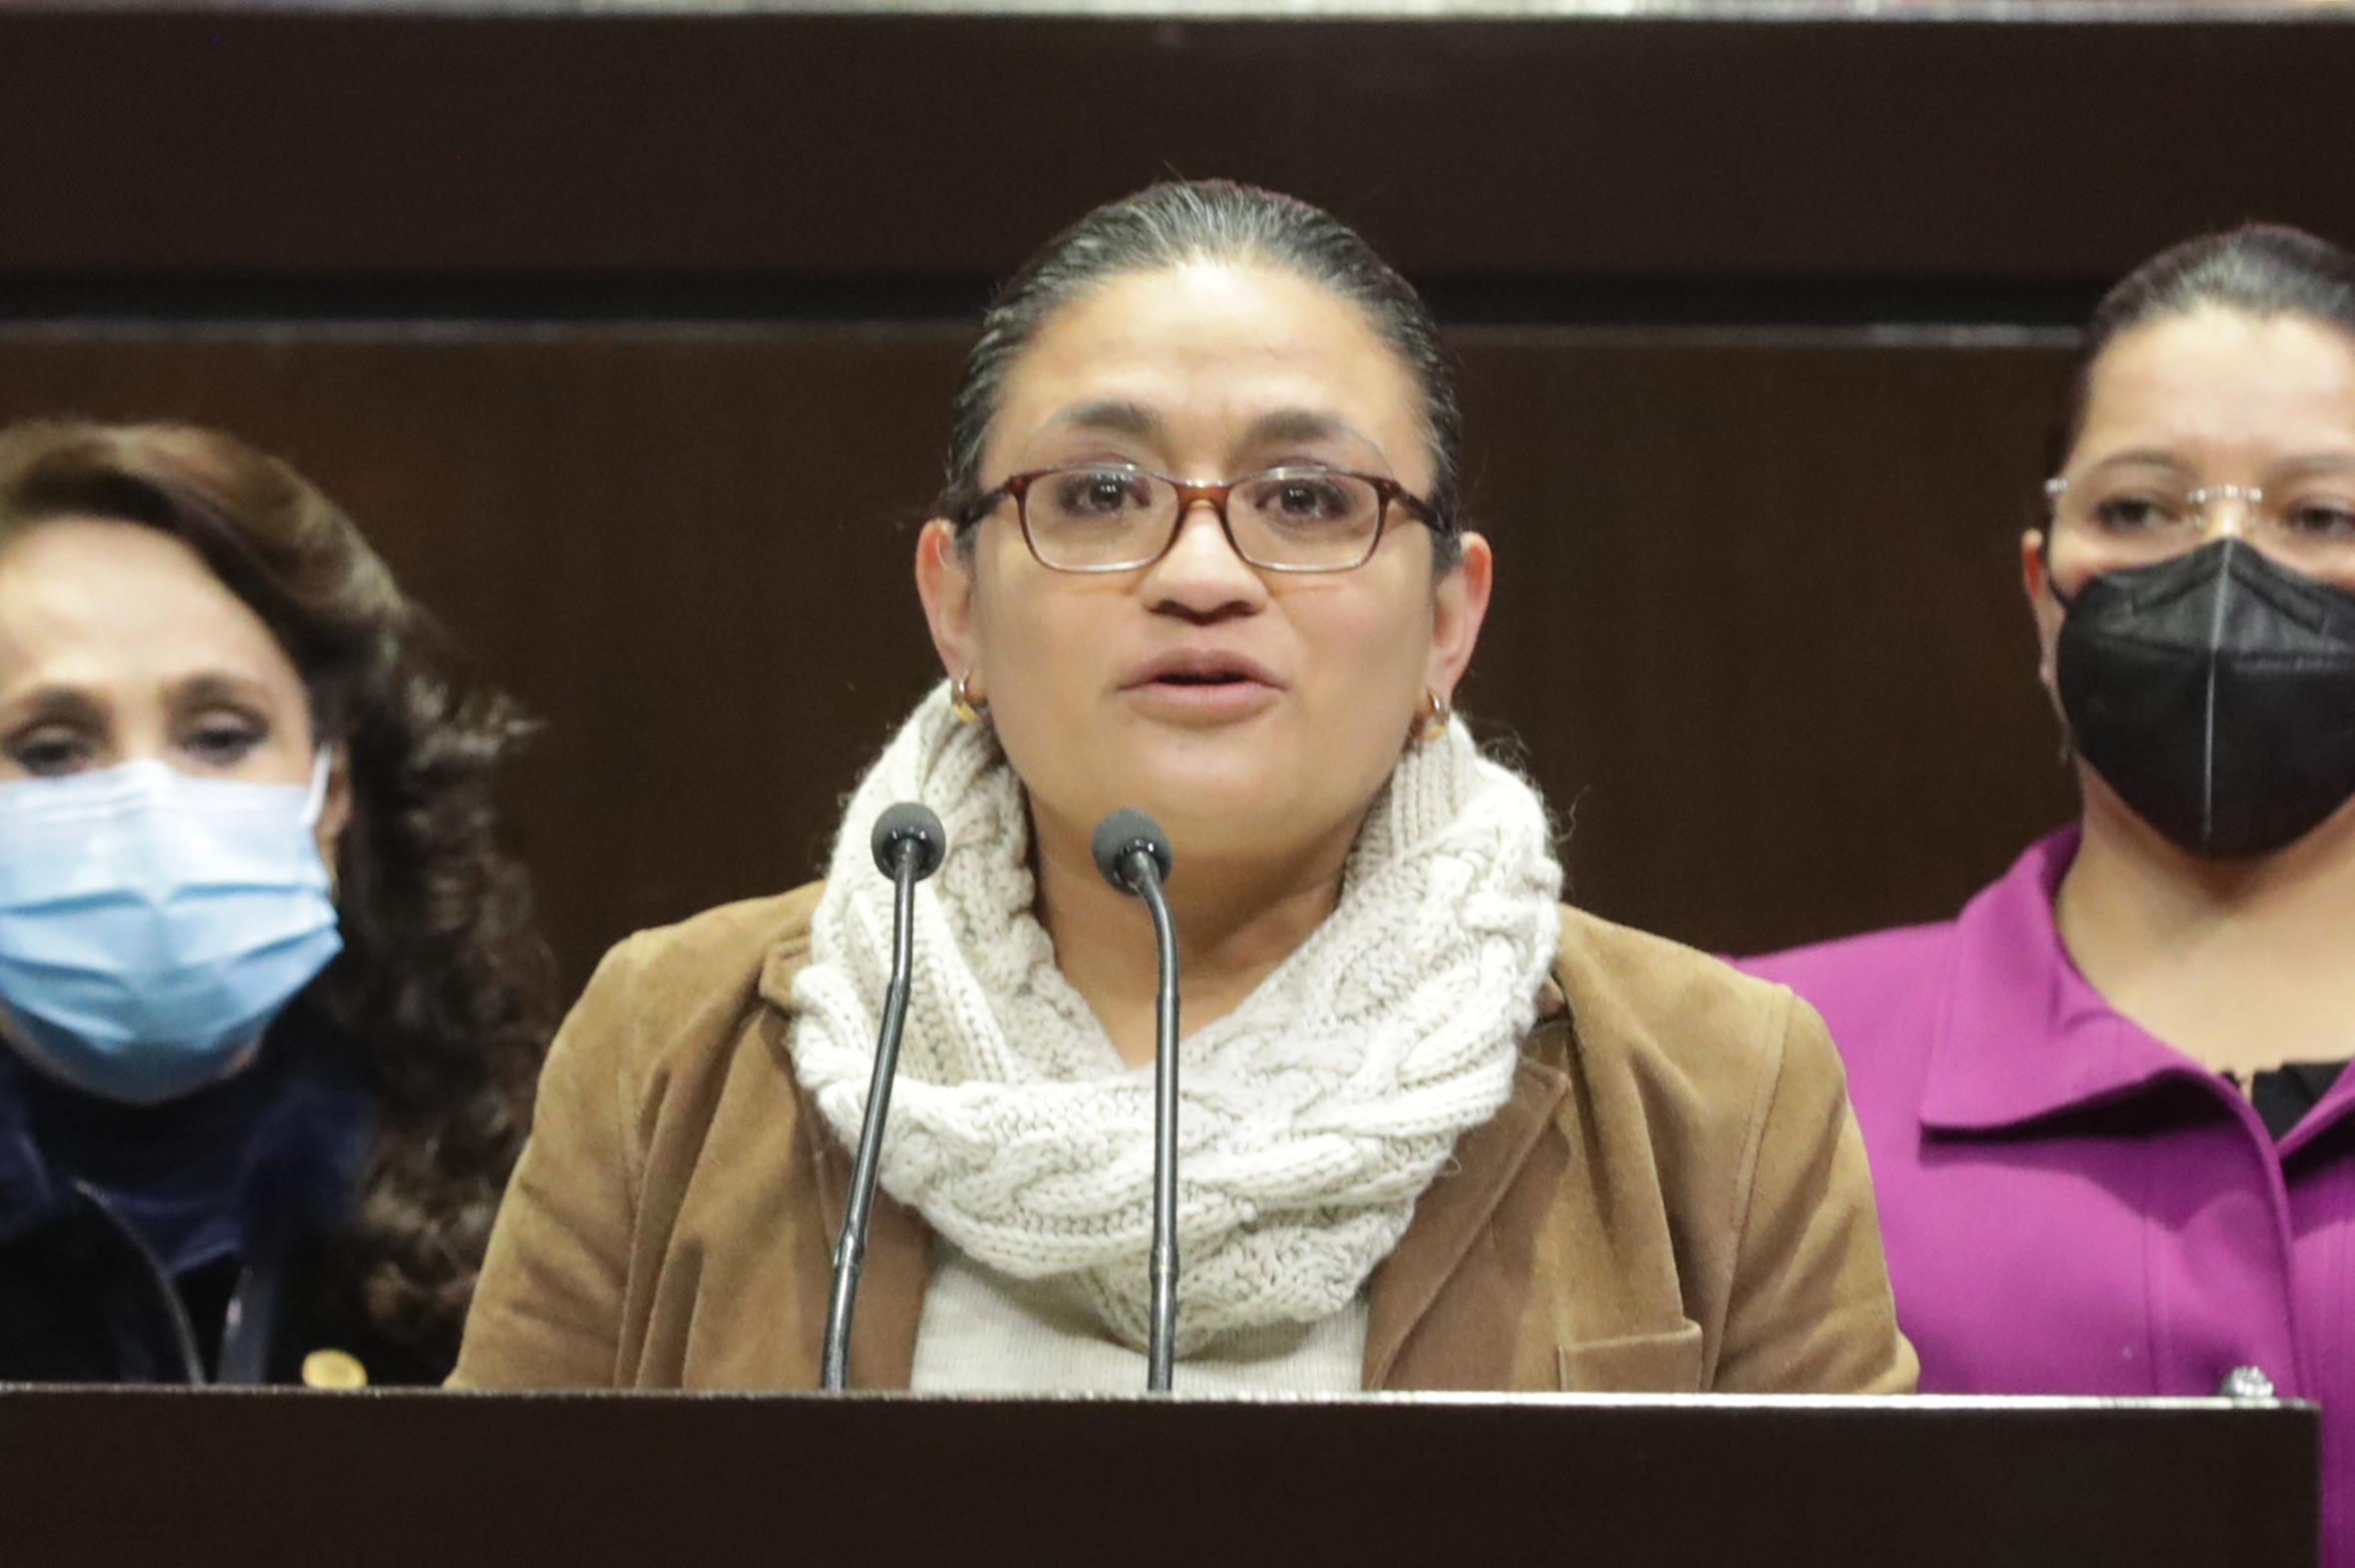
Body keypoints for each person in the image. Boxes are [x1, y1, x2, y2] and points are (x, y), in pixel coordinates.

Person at [455, 179, 1912, 1396]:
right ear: (955, 604)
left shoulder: (1717, 1086)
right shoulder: (673, 1045)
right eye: (1098, 493)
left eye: (1307, 499)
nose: (1201, 574)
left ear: (1447, 621)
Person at [1740, 225, 2355, 1566]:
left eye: (2319, 516)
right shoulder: (1754, 1069)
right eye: (2138, 510)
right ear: (2041, 593)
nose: (2224, 568)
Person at [0, 421, 553, 1386]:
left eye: (220, 736)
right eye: (51, 748)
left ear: (332, 788)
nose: (150, 804)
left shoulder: (527, 1230)